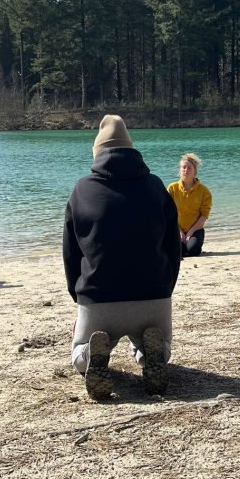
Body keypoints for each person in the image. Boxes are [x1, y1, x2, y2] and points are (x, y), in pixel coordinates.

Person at [63, 115, 181, 399]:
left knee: (78, 357)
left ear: (97, 154)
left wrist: (78, 297)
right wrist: (165, 287)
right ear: (133, 151)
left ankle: (92, 354)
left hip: (100, 295)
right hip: (153, 293)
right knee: (159, 347)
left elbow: (70, 253)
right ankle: (150, 354)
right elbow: (173, 247)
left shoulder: (82, 190)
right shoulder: (156, 186)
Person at [167, 153, 213, 257]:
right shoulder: (172, 188)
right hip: (176, 229)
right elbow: (168, 213)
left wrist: (190, 232)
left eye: (189, 168)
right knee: (179, 251)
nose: (186, 170)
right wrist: (179, 232)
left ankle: (189, 244)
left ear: (195, 171)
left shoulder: (204, 191)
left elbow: (204, 215)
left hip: (196, 229)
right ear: (180, 169)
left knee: (193, 250)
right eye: (183, 167)